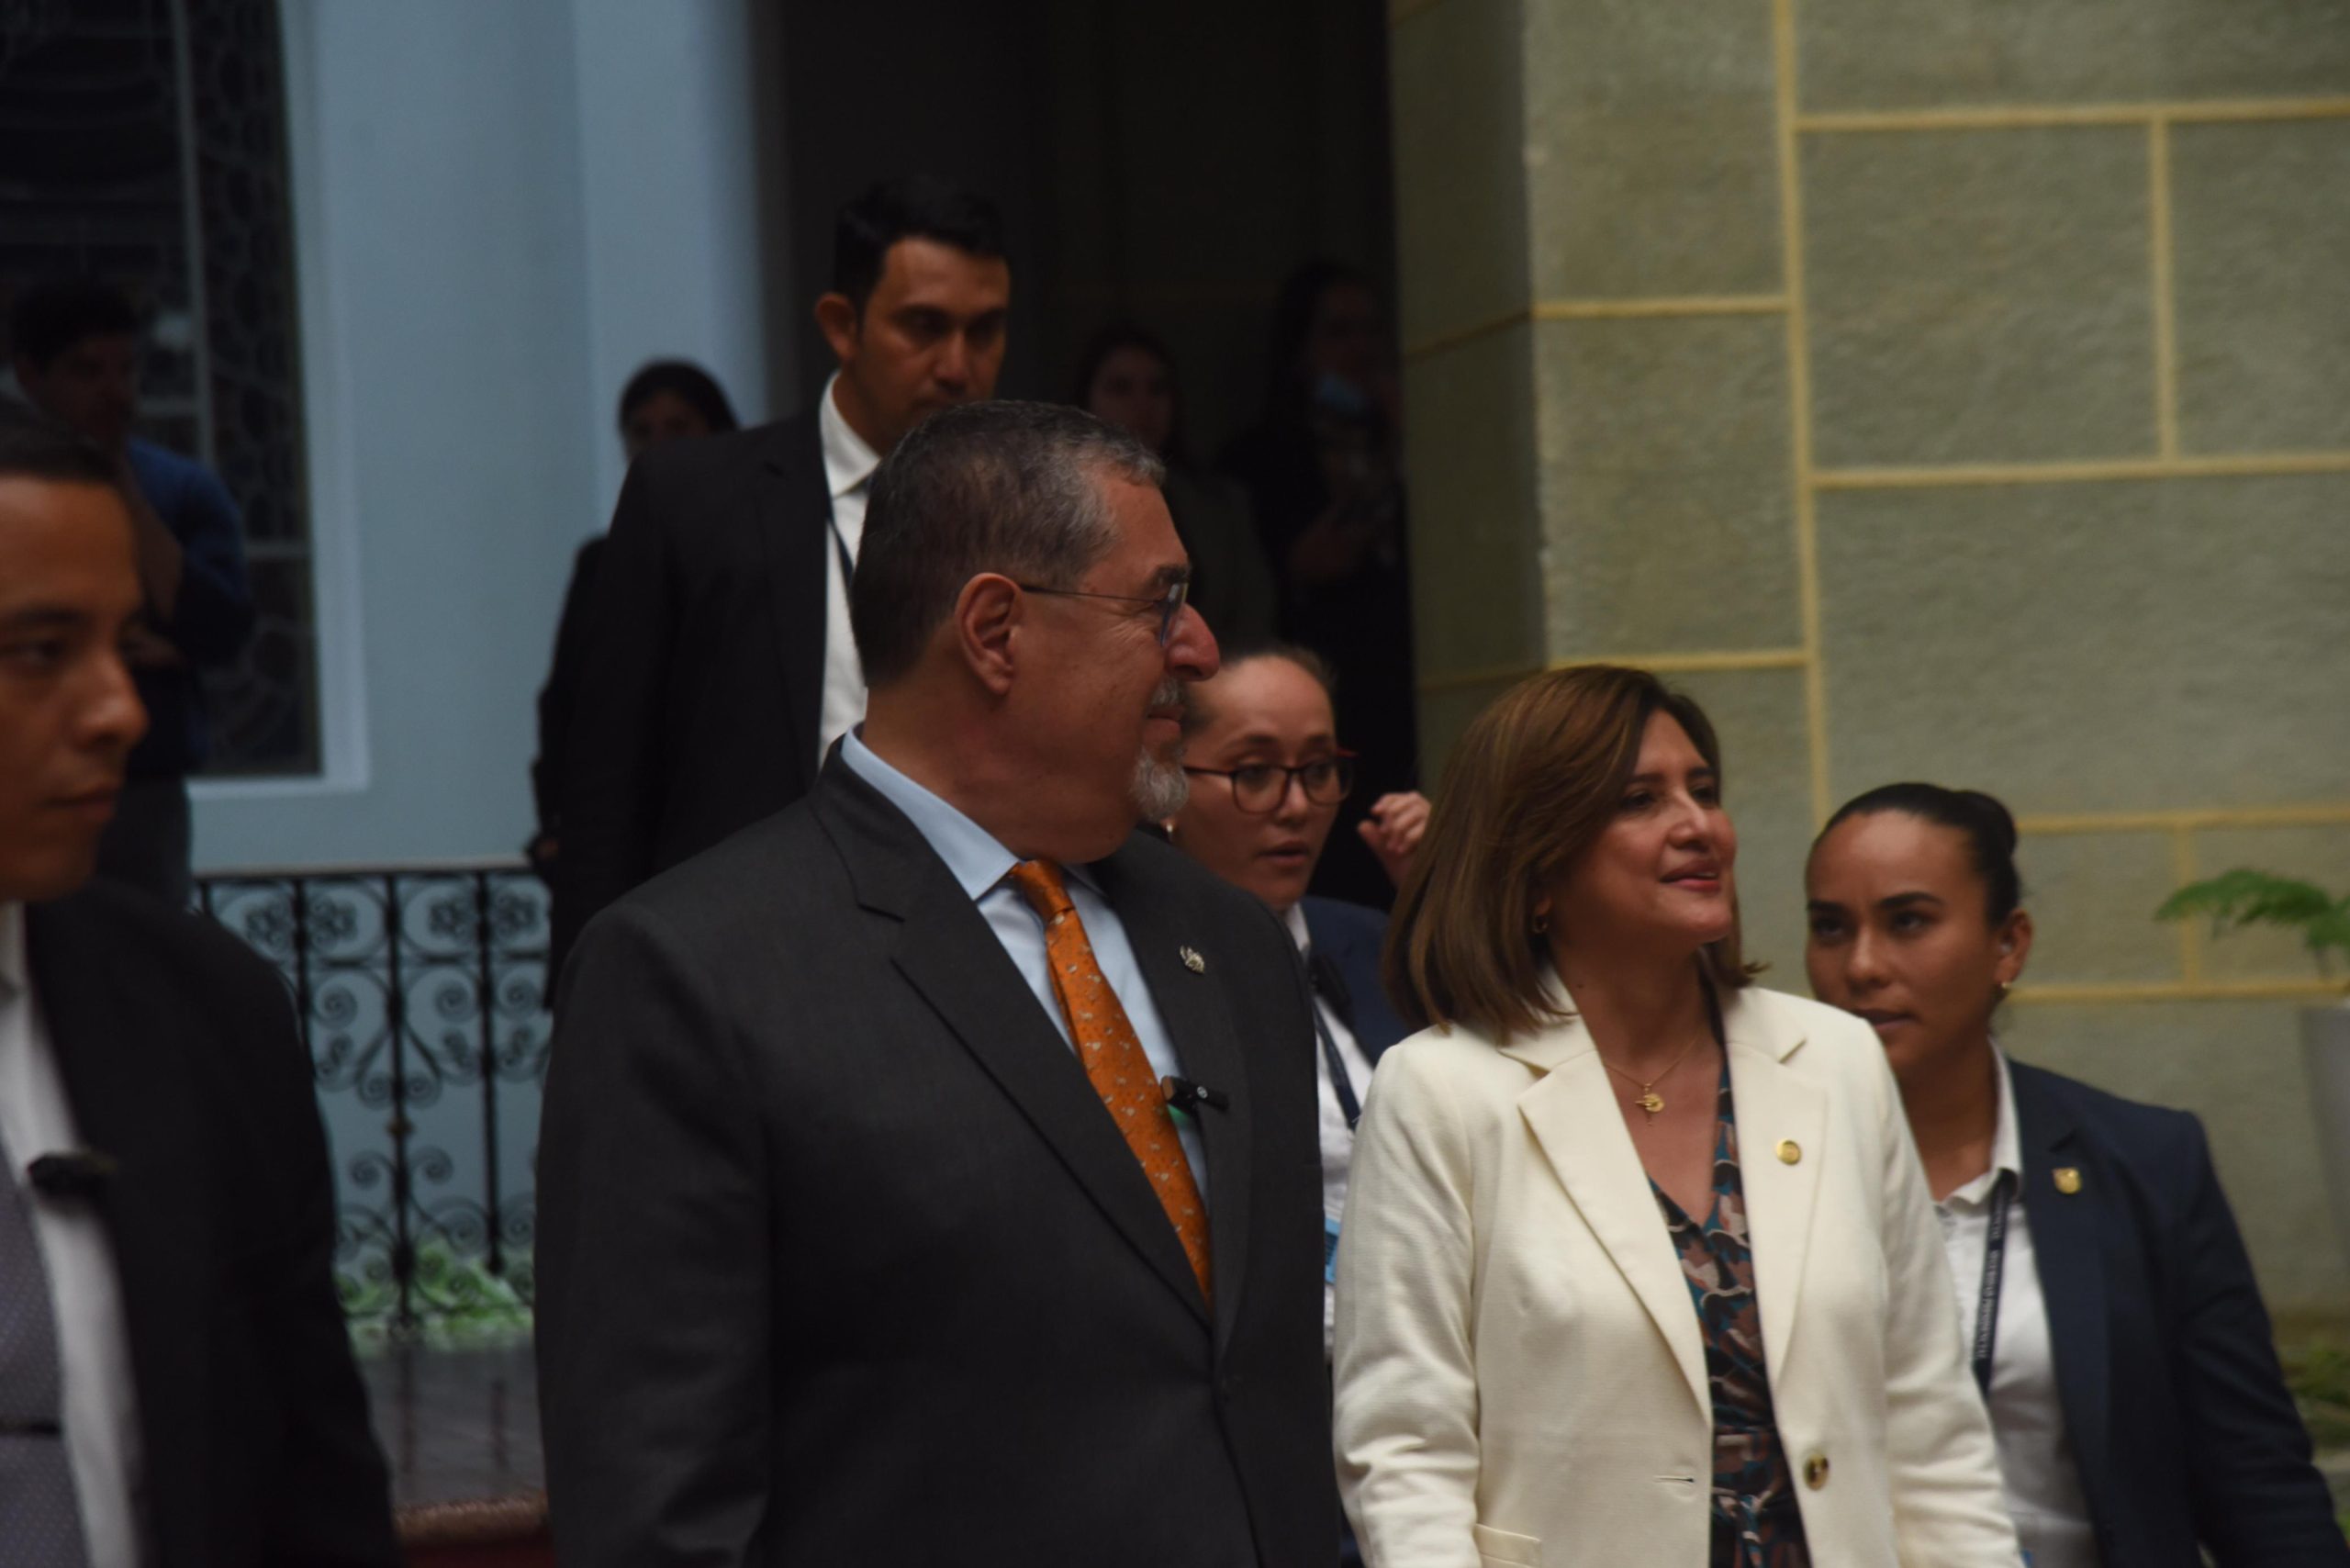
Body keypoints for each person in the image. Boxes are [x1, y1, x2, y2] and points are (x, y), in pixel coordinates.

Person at [536, 401, 1335, 1566]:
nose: (1201, 646)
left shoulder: (1235, 943)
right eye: (1160, 601)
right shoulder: (694, 975)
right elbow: (657, 1509)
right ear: (996, 630)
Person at [1334, 665, 2020, 1566]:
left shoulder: (1834, 1059)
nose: (1698, 825)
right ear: (1534, 863)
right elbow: (1405, 1454)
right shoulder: (1441, 1091)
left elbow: (1931, 1427)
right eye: (1638, 799)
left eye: (1702, 790)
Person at [0, 422, 397, 1564]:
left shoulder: (208, 1014)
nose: (119, 709)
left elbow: (318, 1488)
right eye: (40, 648)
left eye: (127, 645)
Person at [1805, 783, 2348, 1568]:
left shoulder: (2145, 1164)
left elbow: (2255, 1482)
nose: (1861, 965)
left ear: (2008, 946)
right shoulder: (1762, 1169)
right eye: (1830, 927)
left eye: (1908, 922)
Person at [549, 175, 1010, 974]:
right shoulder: (692, 500)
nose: (958, 366)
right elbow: (605, 789)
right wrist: (590, 1005)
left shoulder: (1035, 514)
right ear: (843, 324)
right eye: (924, 328)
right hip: (746, 967)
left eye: (986, 330)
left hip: (978, 961)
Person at [1166, 644, 1428, 1567]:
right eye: (1251, 772)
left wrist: (1455, 920)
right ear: (1164, 781)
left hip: (1422, 1384)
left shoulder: (1384, 945)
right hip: (1250, 1412)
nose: (1294, 804)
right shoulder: (1122, 972)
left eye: (1318, 770)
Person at [9, 278, 255, 907]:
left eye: (125, 370)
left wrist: (123, 488)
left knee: (142, 961)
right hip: (19, 780)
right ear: (32, 378)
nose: (113, 392)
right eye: (88, 372)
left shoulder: (179, 490)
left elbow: (218, 629)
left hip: (141, 789)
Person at [1222, 263, 1416, 908]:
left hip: (1396, 699)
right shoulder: (1265, 456)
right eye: (1338, 331)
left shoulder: (1406, 441)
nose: (1358, 348)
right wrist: (1297, 569)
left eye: (1368, 330)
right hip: (1302, 675)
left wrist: (1403, 440)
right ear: (1301, 347)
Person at [529, 360, 739, 876]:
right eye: (642, 432)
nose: (658, 444)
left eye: (678, 426)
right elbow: (567, 701)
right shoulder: (603, 562)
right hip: (629, 833)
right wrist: (561, 821)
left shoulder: (754, 547)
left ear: (717, 430)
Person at [1077, 322, 1278, 645]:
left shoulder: (1221, 504)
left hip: (1212, 677)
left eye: (1157, 389)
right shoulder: (1062, 507)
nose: (1143, 404)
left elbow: (1254, 617)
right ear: (1087, 400)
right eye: (1121, 388)